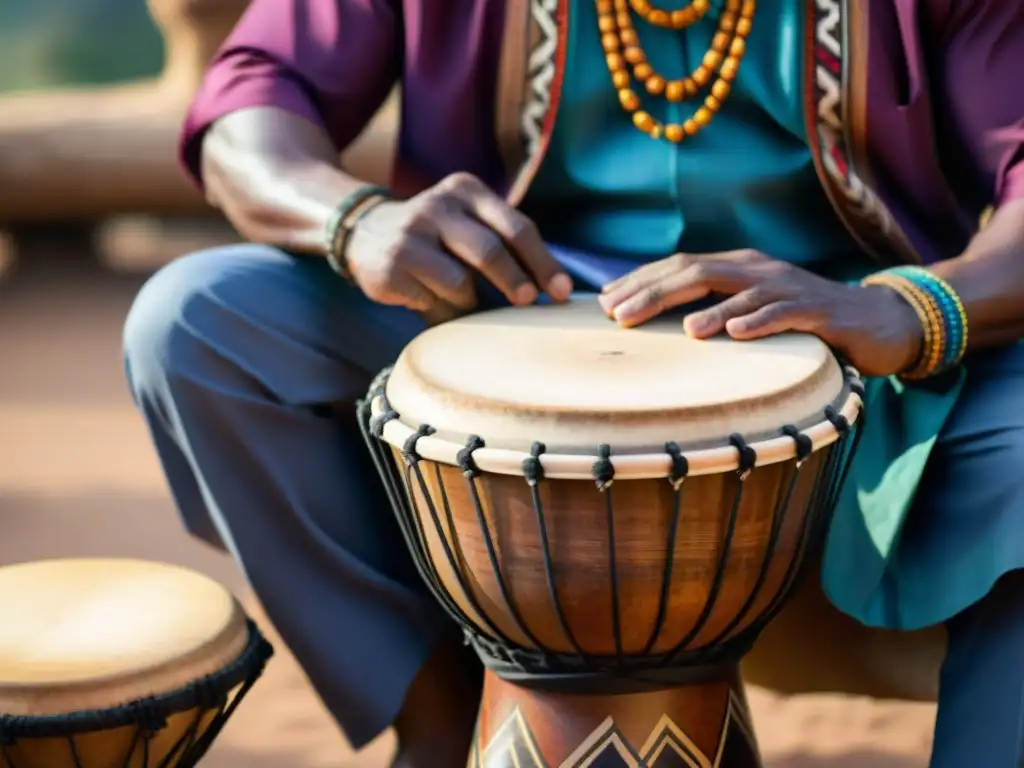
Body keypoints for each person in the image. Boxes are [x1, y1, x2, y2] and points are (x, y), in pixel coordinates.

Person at [122, 0, 1024, 765]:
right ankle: (444, 726)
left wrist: (909, 310)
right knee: (199, 322)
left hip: (854, 352)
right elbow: (252, 99)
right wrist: (353, 220)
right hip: (498, 313)